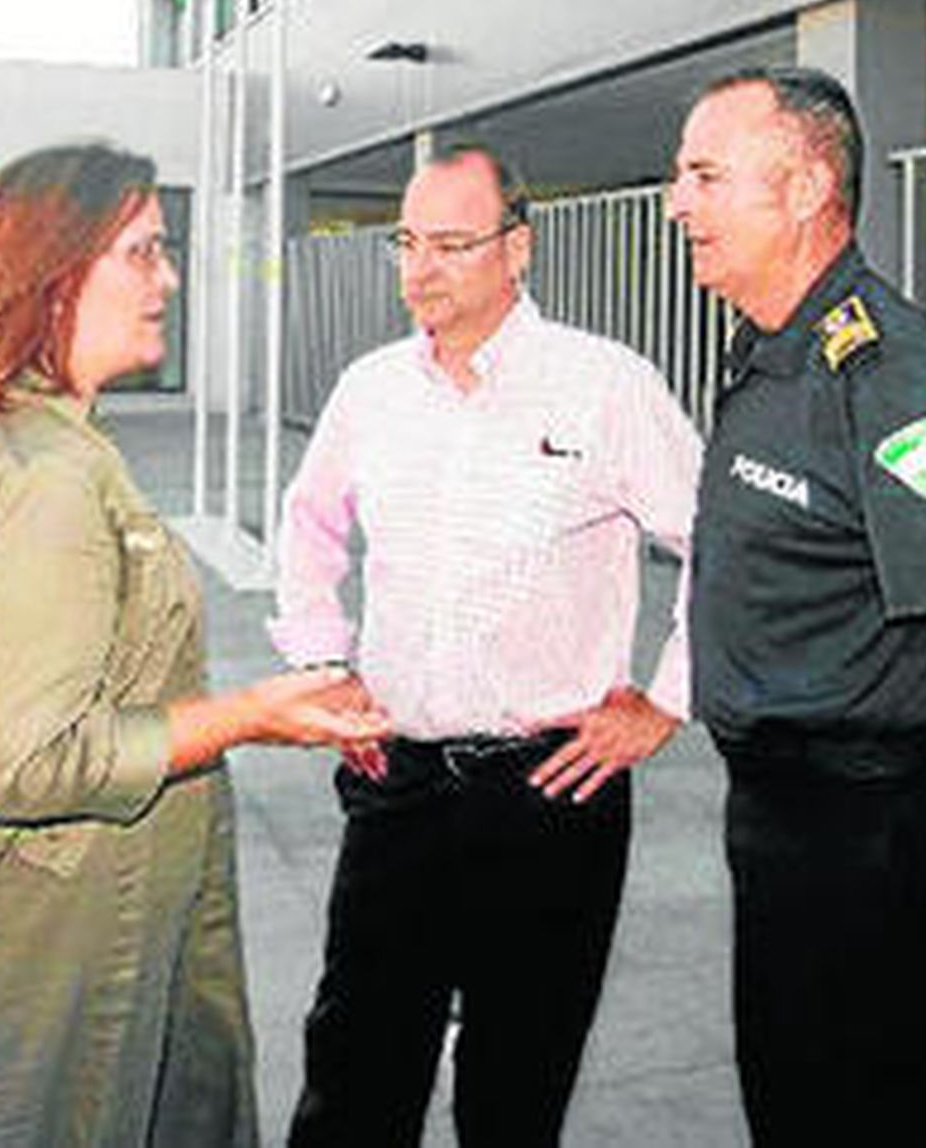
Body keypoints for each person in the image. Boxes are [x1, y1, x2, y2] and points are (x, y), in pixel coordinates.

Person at [0, 142, 389, 1148]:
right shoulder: (46, 478)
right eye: (143, 251)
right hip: (59, 945)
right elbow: (30, 760)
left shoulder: (31, 441)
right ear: (55, 274)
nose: (169, 279)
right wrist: (254, 713)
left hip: (86, 922)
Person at [667, 69, 926, 1145]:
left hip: (871, 834)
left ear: (806, 186)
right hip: (790, 820)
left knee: (864, 1107)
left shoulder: (893, 374)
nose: (678, 202)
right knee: (799, 1096)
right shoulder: (778, 348)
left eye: (705, 176)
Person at [270, 144, 702, 1147]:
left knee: (517, 1082)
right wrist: (322, 664)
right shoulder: (371, 389)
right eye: (406, 242)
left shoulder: (602, 385)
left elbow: (721, 543)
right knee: (353, 1074)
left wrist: (666, 700)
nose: (420, 269)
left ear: (518, 248)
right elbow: (308, 529)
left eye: (452, 244)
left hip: (550, 793)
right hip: (399, 784)